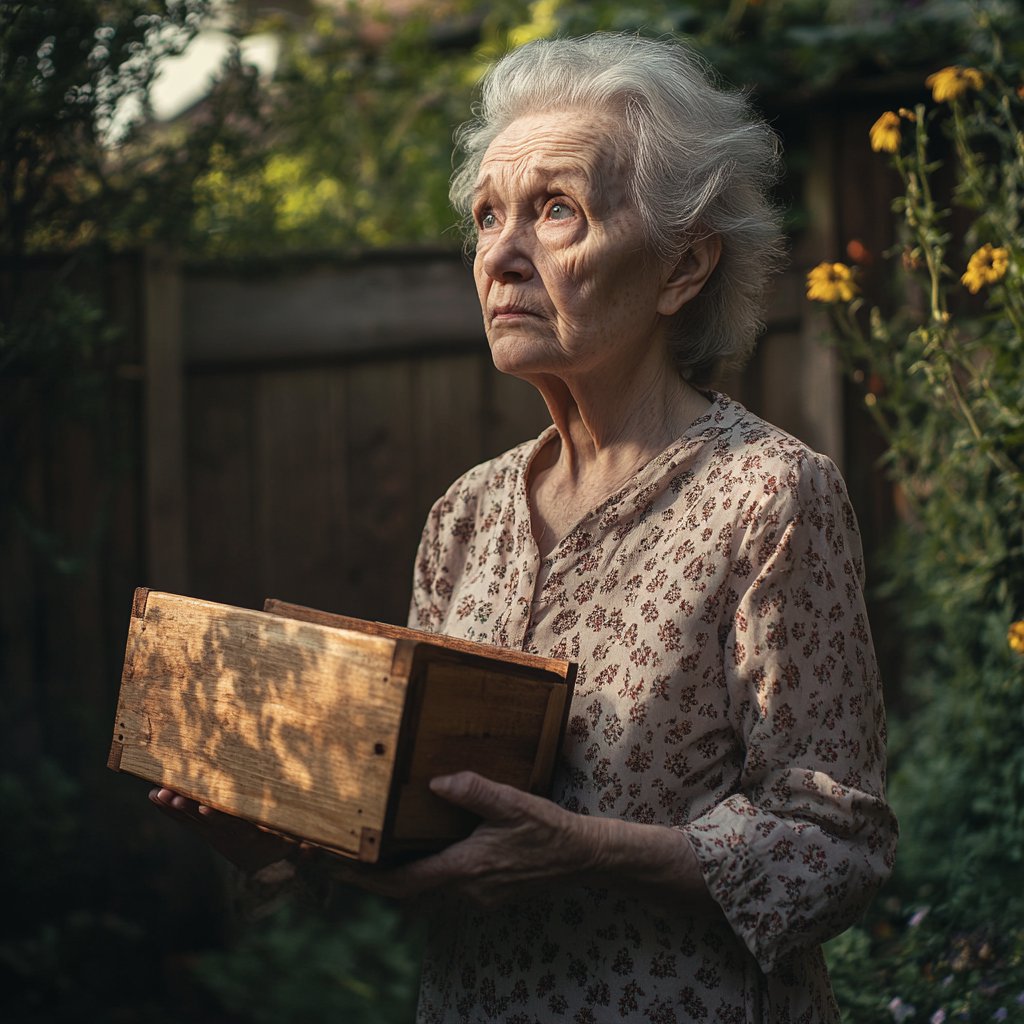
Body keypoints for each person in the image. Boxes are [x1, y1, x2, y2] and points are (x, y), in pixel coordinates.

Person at [151, 32, 898, 1022]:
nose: (501, 256)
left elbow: (840, 847)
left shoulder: (767, 495)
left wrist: (584, 852)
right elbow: (422, 801)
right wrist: (291, 834)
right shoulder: (465, 515)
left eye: (555, 211)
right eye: (486, 216)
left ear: (683, 266)